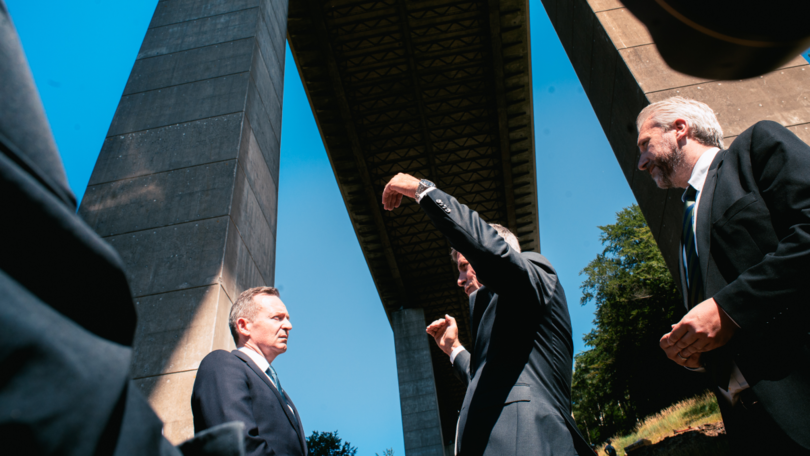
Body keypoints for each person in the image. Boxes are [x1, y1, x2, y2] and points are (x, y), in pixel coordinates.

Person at [636, 97, 810, 453]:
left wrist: (729, 309)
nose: (640, 163)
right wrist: (696, 352)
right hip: (751, 426)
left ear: (680, 129)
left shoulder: (756, 148)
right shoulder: (684, 224)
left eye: (644, 144)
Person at [382, 174, 595, 456]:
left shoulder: (536, 275)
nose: (459, 280)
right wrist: (454, 350)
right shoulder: (502, 328)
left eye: (464, 265)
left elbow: (491, 252)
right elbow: (490, 382)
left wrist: (423, 191)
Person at [192, 287, 308, 456]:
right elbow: (237, 444)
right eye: (277, 318)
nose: (288, 326)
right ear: (244, 326)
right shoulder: (222, 364)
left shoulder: (278, 389)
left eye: (288, 319)